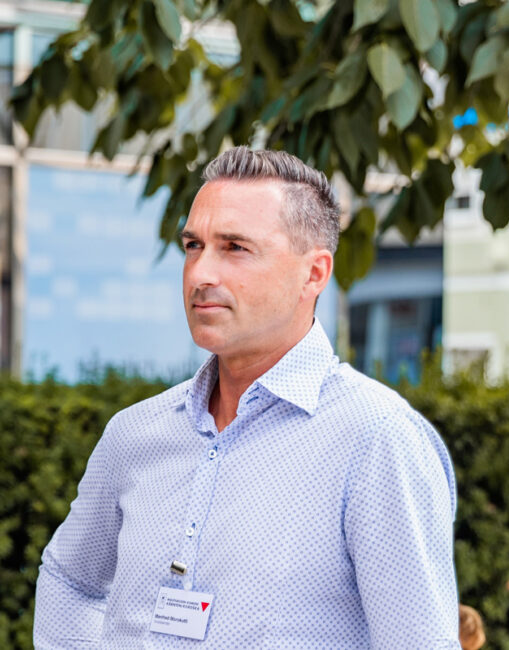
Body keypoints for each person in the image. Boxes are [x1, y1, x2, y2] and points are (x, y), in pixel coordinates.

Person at [34, 146, 461, 648]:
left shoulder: (378, 440)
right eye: (194, 246)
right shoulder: (135, 434)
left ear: (314, 274)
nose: (200, 274)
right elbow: (69, 579)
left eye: (234, 247)